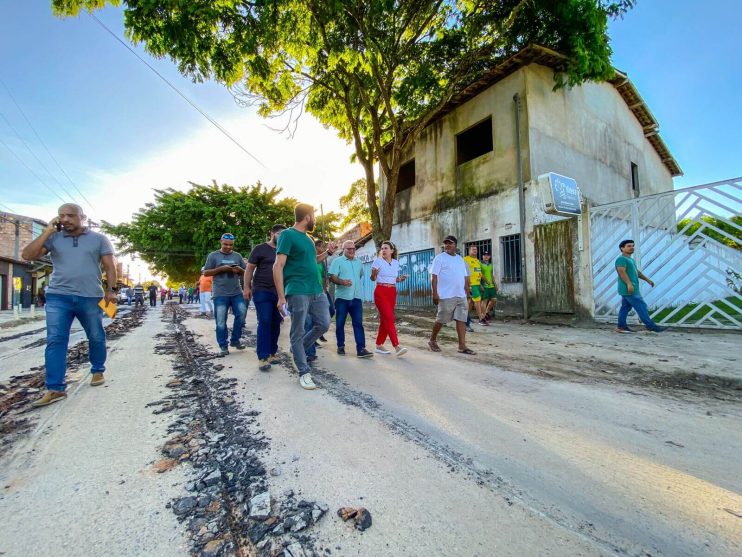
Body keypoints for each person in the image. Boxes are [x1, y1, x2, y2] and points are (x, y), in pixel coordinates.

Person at [21, 203, 117, 407]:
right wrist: (47, 231)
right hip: (58, 296)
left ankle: (98, 370)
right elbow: (27, 256)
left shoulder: (98, 239)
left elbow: (110, 266)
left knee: (96, 335)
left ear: (82, 217)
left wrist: (111, 290)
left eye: (70, 216)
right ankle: (55, 388)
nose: (65, 220)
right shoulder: (54, 238)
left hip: (90, 296)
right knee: (55, 340)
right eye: (61, 216)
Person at [274, 203, 337, 390]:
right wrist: (281, 296)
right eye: (314, 216)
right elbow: (278, 266)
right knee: (298, 330)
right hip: (297, 289)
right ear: (307, 217)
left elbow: (312, 260)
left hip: (316, 290)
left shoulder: (309, 239)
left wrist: (328, 253)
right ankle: (303, 371)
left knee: (323, 324)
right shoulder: (287, 235)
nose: (315, 220)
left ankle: (297, 349)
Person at [244, 224, 286, 371]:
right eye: (280, 233)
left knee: (276, 321)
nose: (282, 236)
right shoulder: (260, 249)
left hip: (279, 292)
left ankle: (272, 353)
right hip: (261, 290)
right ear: (272, 233)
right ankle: (262, 357)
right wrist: (247, 287)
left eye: (284, 234)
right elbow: (249, 268)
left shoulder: (285, 251)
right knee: (265, 321)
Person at [428, 235, 475, 355]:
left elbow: (464, 276)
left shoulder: (460, 259)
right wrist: (435, 293)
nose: (447, 245)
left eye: (450, 243)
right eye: (446, 243)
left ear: (455, 245)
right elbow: (434, 277)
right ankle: (432, 340)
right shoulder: (439, 258)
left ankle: (462, 346)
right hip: (446, 295)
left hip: (460, 295)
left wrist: (467, 290)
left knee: (461, 319)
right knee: (441, 320)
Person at [203, 233, 247, 355]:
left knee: (242, 314)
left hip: (236, 292)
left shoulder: (237, 256)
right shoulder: (213, 256)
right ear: (220, 242)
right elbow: (206, 272)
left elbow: (245, 272)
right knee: (221, 320)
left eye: (230, 245)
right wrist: (221, 269)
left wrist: (239, 270)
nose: (228, 247)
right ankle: (223, 345)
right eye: (225, 244)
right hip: (220, 293)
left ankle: (235, 340)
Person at [328, 240, 373, 358]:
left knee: (358, 323)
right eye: (349, 249)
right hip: (342, 298)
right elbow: (332, 277)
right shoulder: (337, 261)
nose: (352, 250)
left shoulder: (359, 262)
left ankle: (361, 349)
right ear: (343, 250)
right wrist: (342, 282)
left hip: (356, 298)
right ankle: (340, 346)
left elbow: (359, 275)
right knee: (340, 323)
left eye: (353, 248)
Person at [615, 239, 667, 333]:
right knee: (641, 306)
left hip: (631, 287)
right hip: (629, 288)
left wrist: (647, 280)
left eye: (632, 246)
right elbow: (621, 272)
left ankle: (621, 326)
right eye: (629, 246)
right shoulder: (621, 259)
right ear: (622, 248)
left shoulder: (630, 259)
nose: (632, 247)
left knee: (625, 307)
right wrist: (629, 284)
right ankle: (651, 326)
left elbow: (636, 272)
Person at [370, 240, 408, 356]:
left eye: (386, 248)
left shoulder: (396, 262)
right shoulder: (377, 261)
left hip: (392, 291)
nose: (383, 250)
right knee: (390, 318)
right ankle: (396, 346)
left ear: (392, 250)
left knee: (385, 319)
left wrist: (399, 279)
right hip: (381, 291)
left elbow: (392, 278)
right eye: (382, 248)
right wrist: (374, 274)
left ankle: (379, 345)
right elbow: (372, 278)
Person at [464, 245, 488, 326]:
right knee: (478, 300)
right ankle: (481, 319)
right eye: (473, 249)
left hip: (477, 284)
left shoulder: (477, 261)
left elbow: (479, 273)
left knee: (470, 302)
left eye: (476, 249)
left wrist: (481, 284)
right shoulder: (466, 259)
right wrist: (468, 285)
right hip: (472, 284)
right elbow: (464, 272)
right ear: (469, 251)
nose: (475, 251)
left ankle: (466, 318)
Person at [480, 251, 497, 321]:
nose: (486, 256)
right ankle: (483, 316)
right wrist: (484, 282)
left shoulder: (491, 265)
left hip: (491, 285)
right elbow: (480, 274)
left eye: (487, 255)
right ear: (482, 256)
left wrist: (495, 283)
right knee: (484, 301)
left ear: (489, 257)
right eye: (484, 255)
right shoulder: (480, 264)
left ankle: (486, 312)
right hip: (485, 285)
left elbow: (491, 275)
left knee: (494, 300)